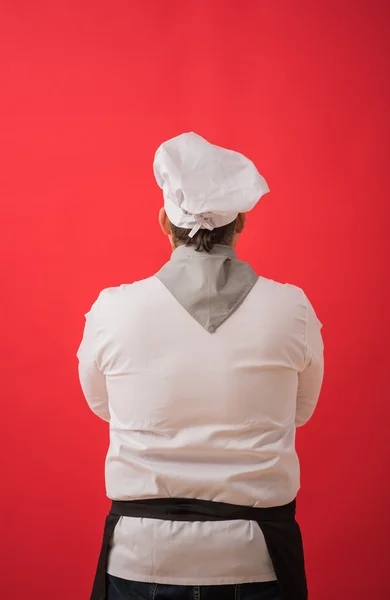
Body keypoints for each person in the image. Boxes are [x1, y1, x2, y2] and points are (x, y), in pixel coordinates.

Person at [77, 132, 324, 600]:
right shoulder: (293, 309)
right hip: (256, 560)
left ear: (164, 222)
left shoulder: (112, 310)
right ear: (242, 222)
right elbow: (299, 411)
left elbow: (103, 405)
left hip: (140, 558)